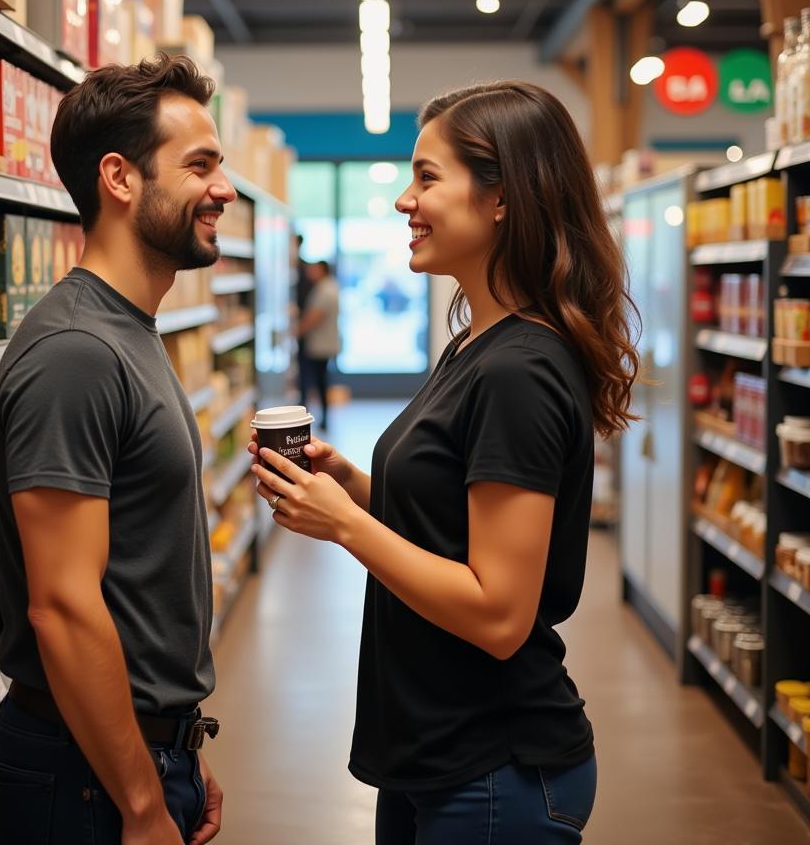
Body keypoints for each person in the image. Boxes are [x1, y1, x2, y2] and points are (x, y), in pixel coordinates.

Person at [250, 81, 639, 843]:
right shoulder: (475, 344)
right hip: (437, 755)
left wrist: (347, 531)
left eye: (427, 177)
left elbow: (499, 614)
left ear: (501, 198)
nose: (405, 199)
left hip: (495, 769)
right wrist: (355, 489)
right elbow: (457, 520)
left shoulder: (517, 370)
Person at [0, 55, 234, 845]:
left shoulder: (129, 331)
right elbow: (63, 606)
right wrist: (139, 798)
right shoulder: (76, 352)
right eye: (199, 165)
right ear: (120, 179)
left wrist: (179, 749)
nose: (223, 189)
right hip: (84, 780)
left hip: (134, 753)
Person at [298, 259, 340, 430]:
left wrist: (297, 331)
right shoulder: (330, 286)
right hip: (325, 343)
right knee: (321, 380)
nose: (310, 273)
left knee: (317, 381)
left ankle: (317, 419)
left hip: (320, 345)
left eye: (314, 270)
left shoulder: (325, 290)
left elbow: (315, 316)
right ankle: (322, 418)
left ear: (322, 270)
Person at [294, 232, 314, 413]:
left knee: (306, 369)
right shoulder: (297, 266)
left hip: (303, 330)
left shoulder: (304, 269)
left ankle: (303, 404)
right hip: (297, 328)